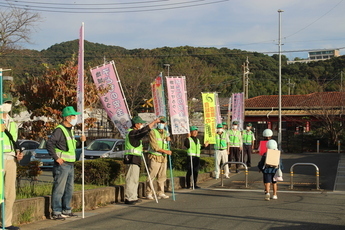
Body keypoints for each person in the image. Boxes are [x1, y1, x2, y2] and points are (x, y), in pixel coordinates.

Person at [47, 106, 86, 220]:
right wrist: (56, 158)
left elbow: (72, 146)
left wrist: (81, 141)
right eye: (73, 116)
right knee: (59, 188)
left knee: (69, 188)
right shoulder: (59, 130)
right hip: (62, 164)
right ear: (67, 117)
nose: (75, 118)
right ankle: (56, 212)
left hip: (70, 163)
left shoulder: (71, 130)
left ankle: (66, 209)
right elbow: (50, 144)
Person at [124, 115, 161, 205]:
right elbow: (143, 131)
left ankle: (133, 197)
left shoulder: (134, 133)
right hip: (132, 158)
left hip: (135, 158)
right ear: (136, 124)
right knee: (131, 179)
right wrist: (154, 122)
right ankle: (129, 198)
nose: (141, 125)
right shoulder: (132, 133)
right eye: (140, 123)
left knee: (135, 179)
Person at [1, 93, 23, 230]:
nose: (7, 105)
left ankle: (6, 222)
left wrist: (18, 154)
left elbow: (14, 142)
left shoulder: (13, 123)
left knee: (10, 193)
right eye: (5, 102)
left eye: (9, 102)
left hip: (10, 159)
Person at [146, 117, 172, 200]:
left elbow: (166, 143)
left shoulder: (165, 132)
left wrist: (168, 140)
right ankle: (149, 193)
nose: (161, 124)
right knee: (152, 175)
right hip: (154, 156)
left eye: (163, 122)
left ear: (165, 124)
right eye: (160, 122)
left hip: (163, 157)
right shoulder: (153, 132)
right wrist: (165, 151)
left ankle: (161, 192)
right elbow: (154, 146)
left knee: (162, 176)